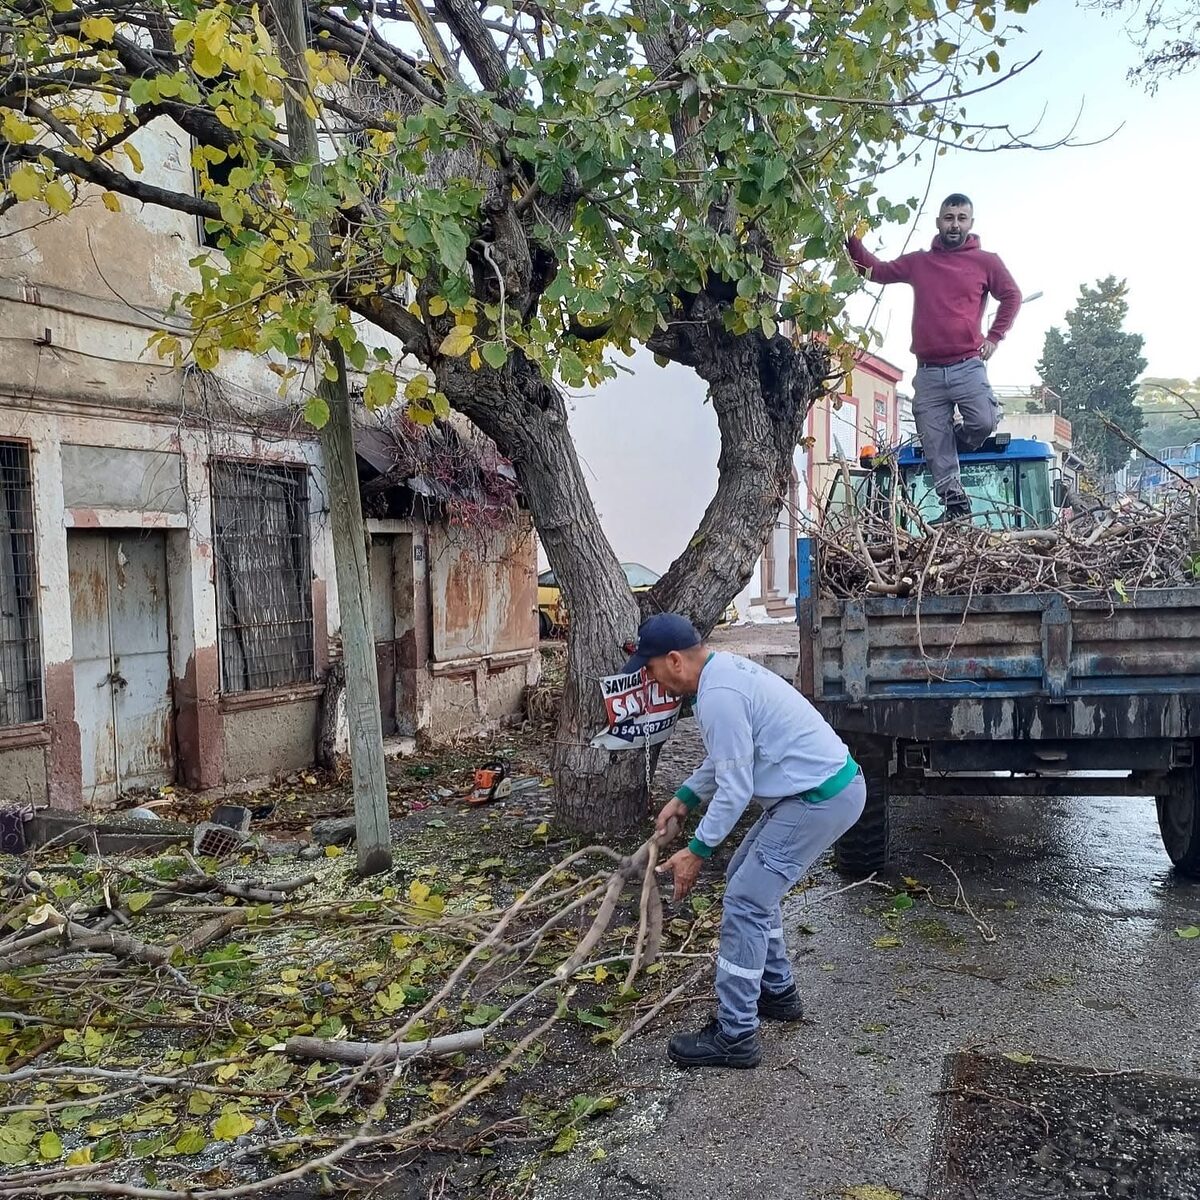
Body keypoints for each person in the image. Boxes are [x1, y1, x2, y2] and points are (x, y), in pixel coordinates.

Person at [623, 613, 866, 1069]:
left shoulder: (718, 696)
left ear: (674, 660)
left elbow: (736, 788)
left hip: (818, 798)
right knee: (746, 882)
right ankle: (777, 992)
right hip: (816, 793)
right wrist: (685, 798)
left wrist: (696, 852)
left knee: (745, 902)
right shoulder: (722, 676)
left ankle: (736, 1035)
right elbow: (730, 759)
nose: (651, 680)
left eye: (650, 669)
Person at [848, 193, 1022, 523]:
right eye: (949, 217)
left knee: (983, 421)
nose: (954, 223)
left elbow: (1012, 296)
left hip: (967, 365)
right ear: (938, 221)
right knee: (933, 441)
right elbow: (876, 271)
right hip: (927, 374)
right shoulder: (920, 262)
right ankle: (955, 506)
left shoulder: (987, 262)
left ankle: (956, 440)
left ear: (970, 223)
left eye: (961, 218)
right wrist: (849, 237)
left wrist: (995, 337)